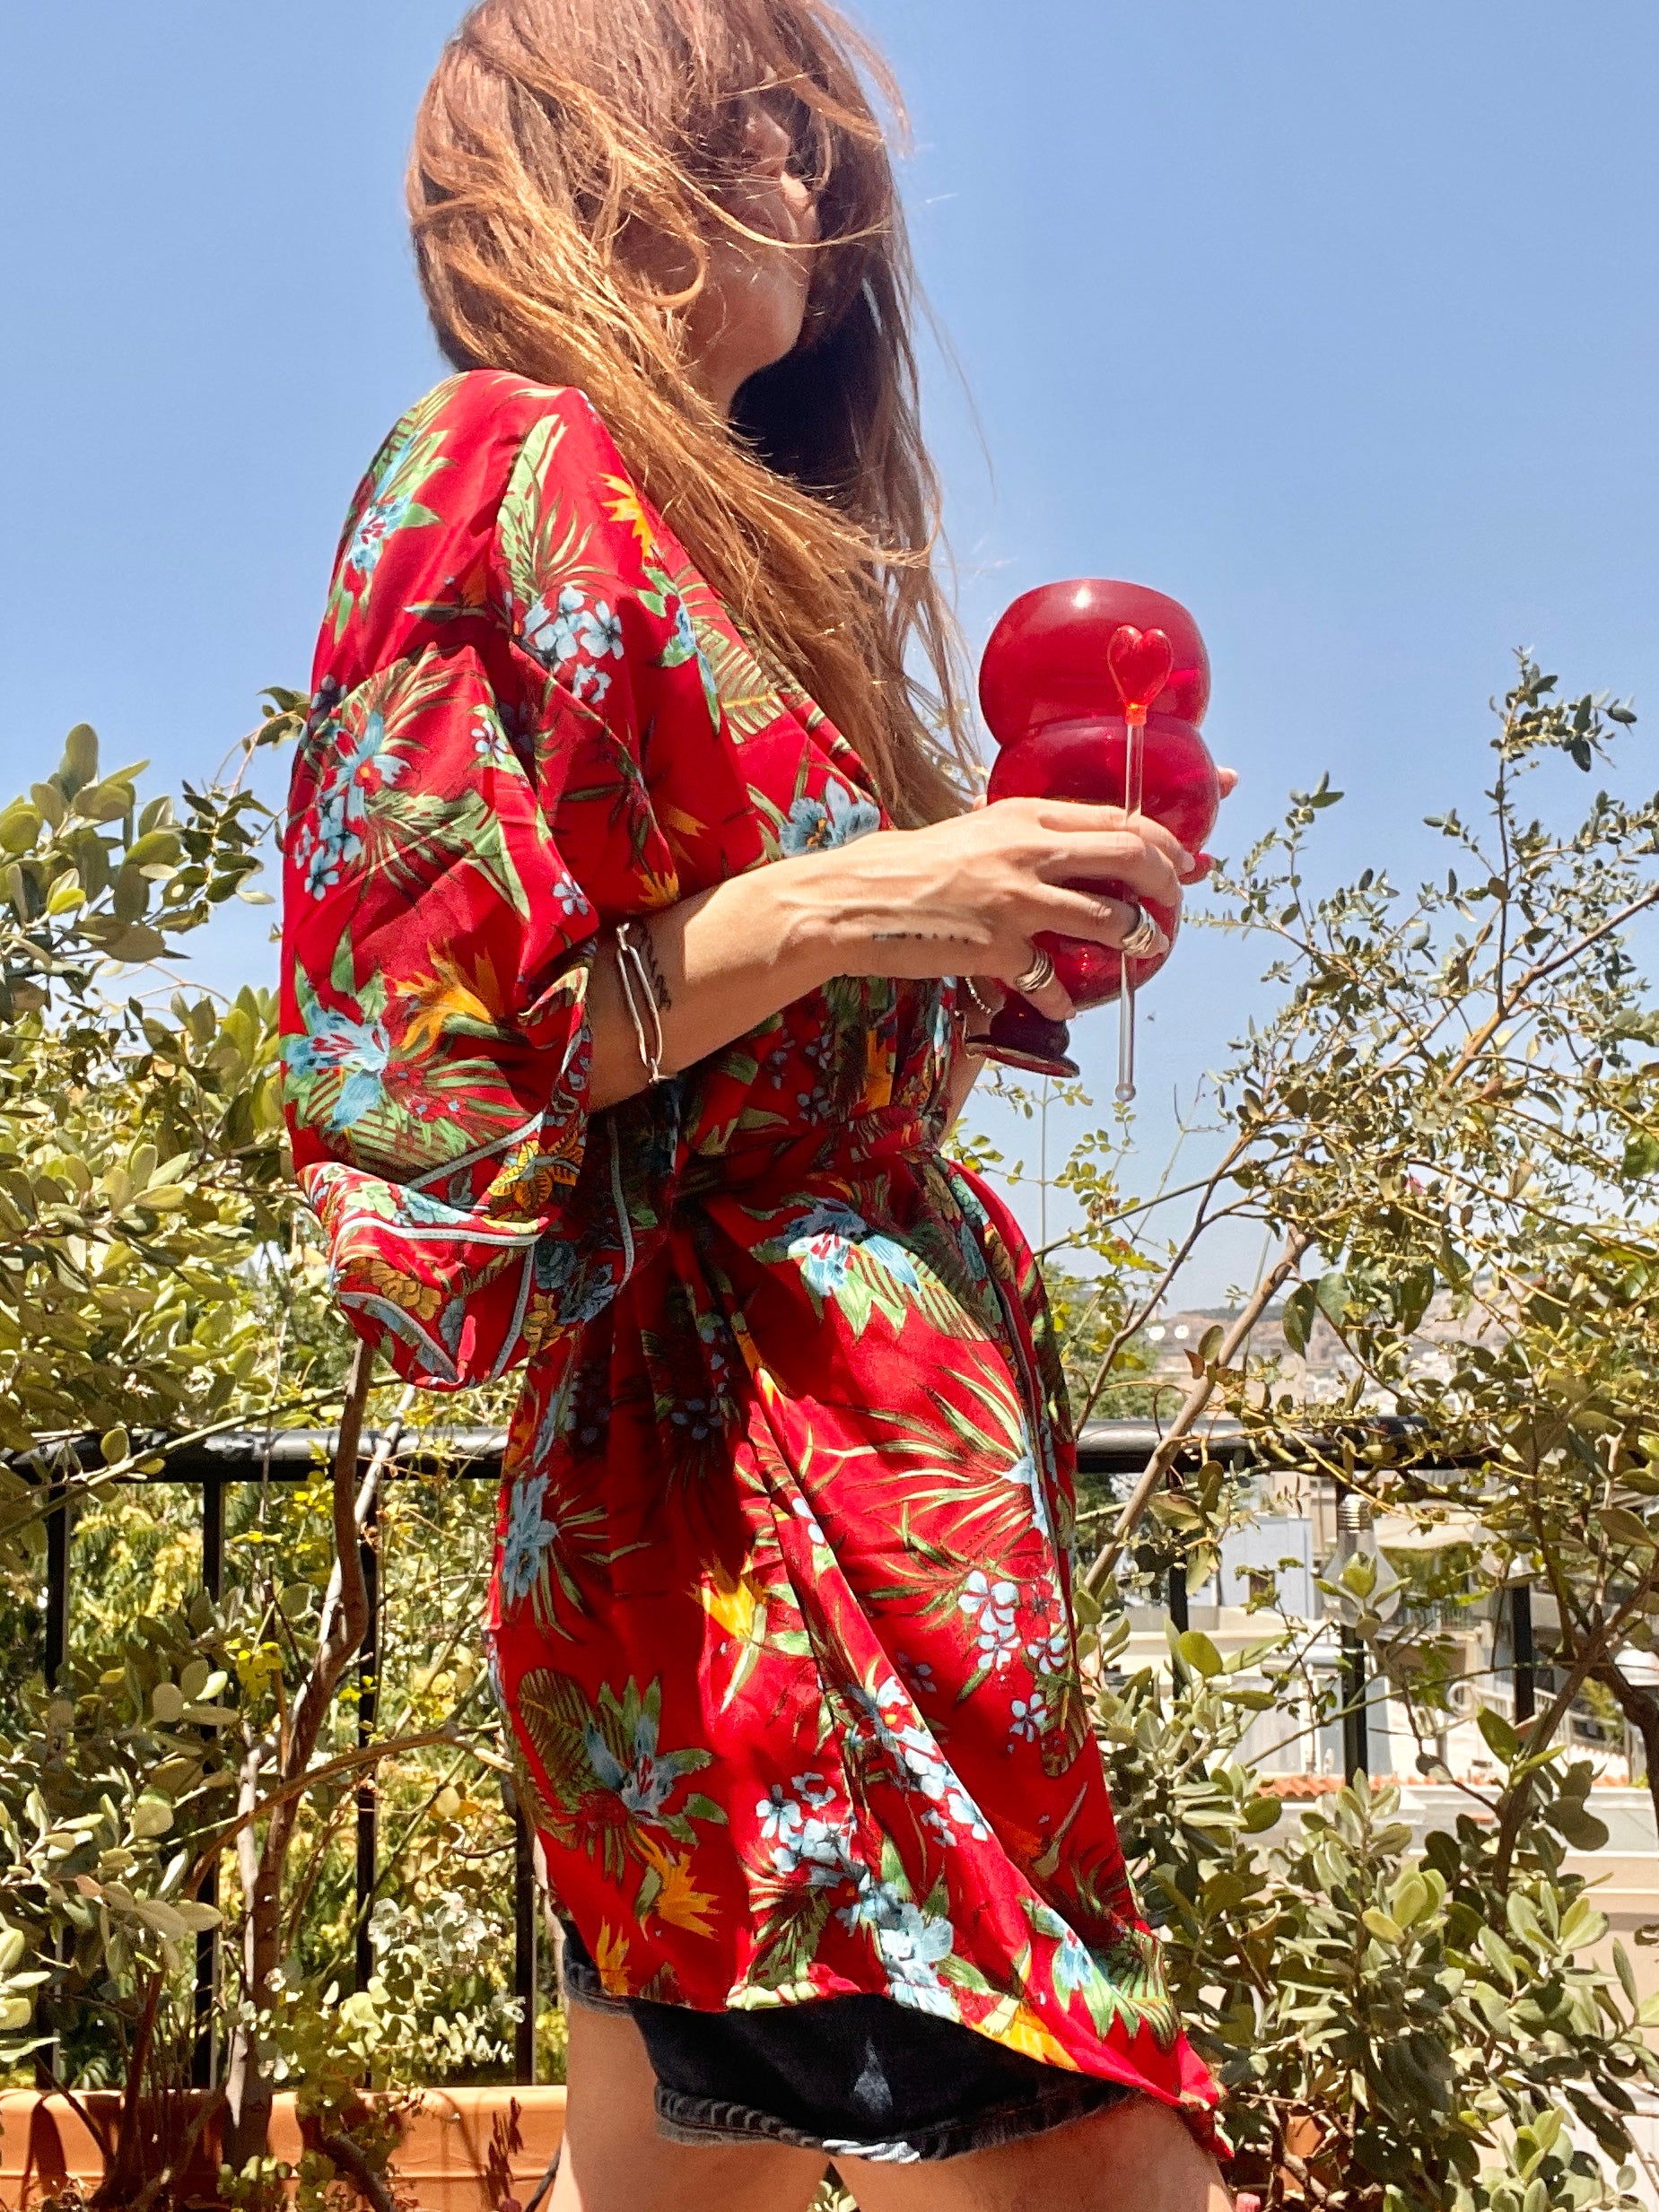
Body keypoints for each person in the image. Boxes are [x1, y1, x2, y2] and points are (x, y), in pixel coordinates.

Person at [280, 2, 1238, 2204]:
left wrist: (1000, 936)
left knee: (670, 2177)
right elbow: (423, 1060)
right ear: (584, 160)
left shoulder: (743, 554)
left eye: (813, 140)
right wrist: (849, 901)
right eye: (745, 127)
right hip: (738, 1496)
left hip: (855, 1461)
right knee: (1087, 2161)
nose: (806, 178)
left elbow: (755, 1019)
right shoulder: (495, 458)